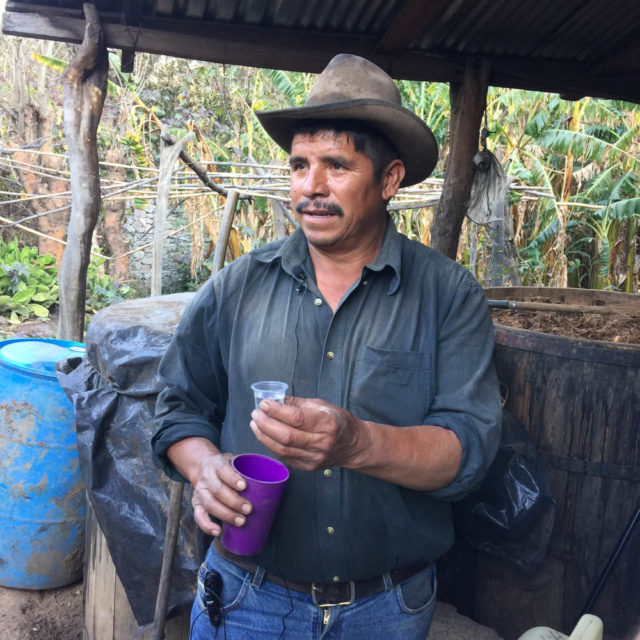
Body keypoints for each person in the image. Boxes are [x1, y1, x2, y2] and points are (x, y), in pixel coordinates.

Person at [152, 53, 502, 640]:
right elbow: (178, 408)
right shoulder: (237, 287)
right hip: (248, 599)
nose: (310, 187)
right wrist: (205, 466)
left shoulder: (447, 294)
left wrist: (358, 442)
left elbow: (468, 450)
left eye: (336, 165)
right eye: (299, 165)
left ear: (389, 179)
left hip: (388, 608)